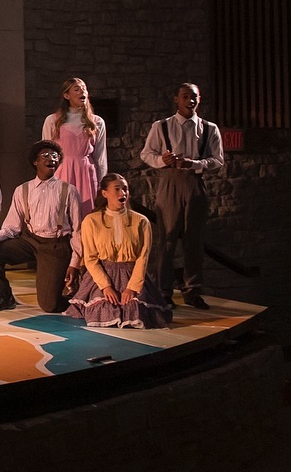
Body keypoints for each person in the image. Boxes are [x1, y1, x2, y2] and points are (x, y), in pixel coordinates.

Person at [139, 82, 223, 310]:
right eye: (185, 96)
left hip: (194, 183)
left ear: (199, 99)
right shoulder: (162, 126)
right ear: (176, 99)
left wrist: (194, 163)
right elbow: (146, 153)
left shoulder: (209, 129)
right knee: (166, 239)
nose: (190, 101)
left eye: (193, 96)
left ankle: (192, 290)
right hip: (169, 183)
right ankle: (164, 291)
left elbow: (217, 160)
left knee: (194, 241)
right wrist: (161, 161)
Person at [0, 140, 82, 313]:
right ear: (35, 162)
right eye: (46, 156)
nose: (51, 159)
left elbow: (78, 230)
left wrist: (75, 263)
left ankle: (77, 296)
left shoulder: (68, 190)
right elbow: (12, 227)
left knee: (50, 306)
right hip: (31, 241)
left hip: (56, 246)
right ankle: (4, 297)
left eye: (55, 156)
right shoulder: (23, 190)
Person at [65, 173, 173, 328]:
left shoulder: (141, 221)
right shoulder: (91, 221)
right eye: (117, 189)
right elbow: (90, 258)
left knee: (135, 310)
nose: (122, 193)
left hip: (131, 274)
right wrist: (106, 286)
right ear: (105, 193)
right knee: (104, 310)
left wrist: (132, 288)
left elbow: (143, 258)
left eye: (125, 189)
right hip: (104, 274)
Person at [41, 77, 107, 218]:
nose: (82, 91)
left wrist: (103, 183)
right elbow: (46, 153)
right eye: (76, 89)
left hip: (86, 173)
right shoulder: (53, 121)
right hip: (62, 171)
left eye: (84, 88)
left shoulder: (96, 122)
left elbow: (100, 156)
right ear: (67, 95)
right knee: (63, 213)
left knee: (86, 214)